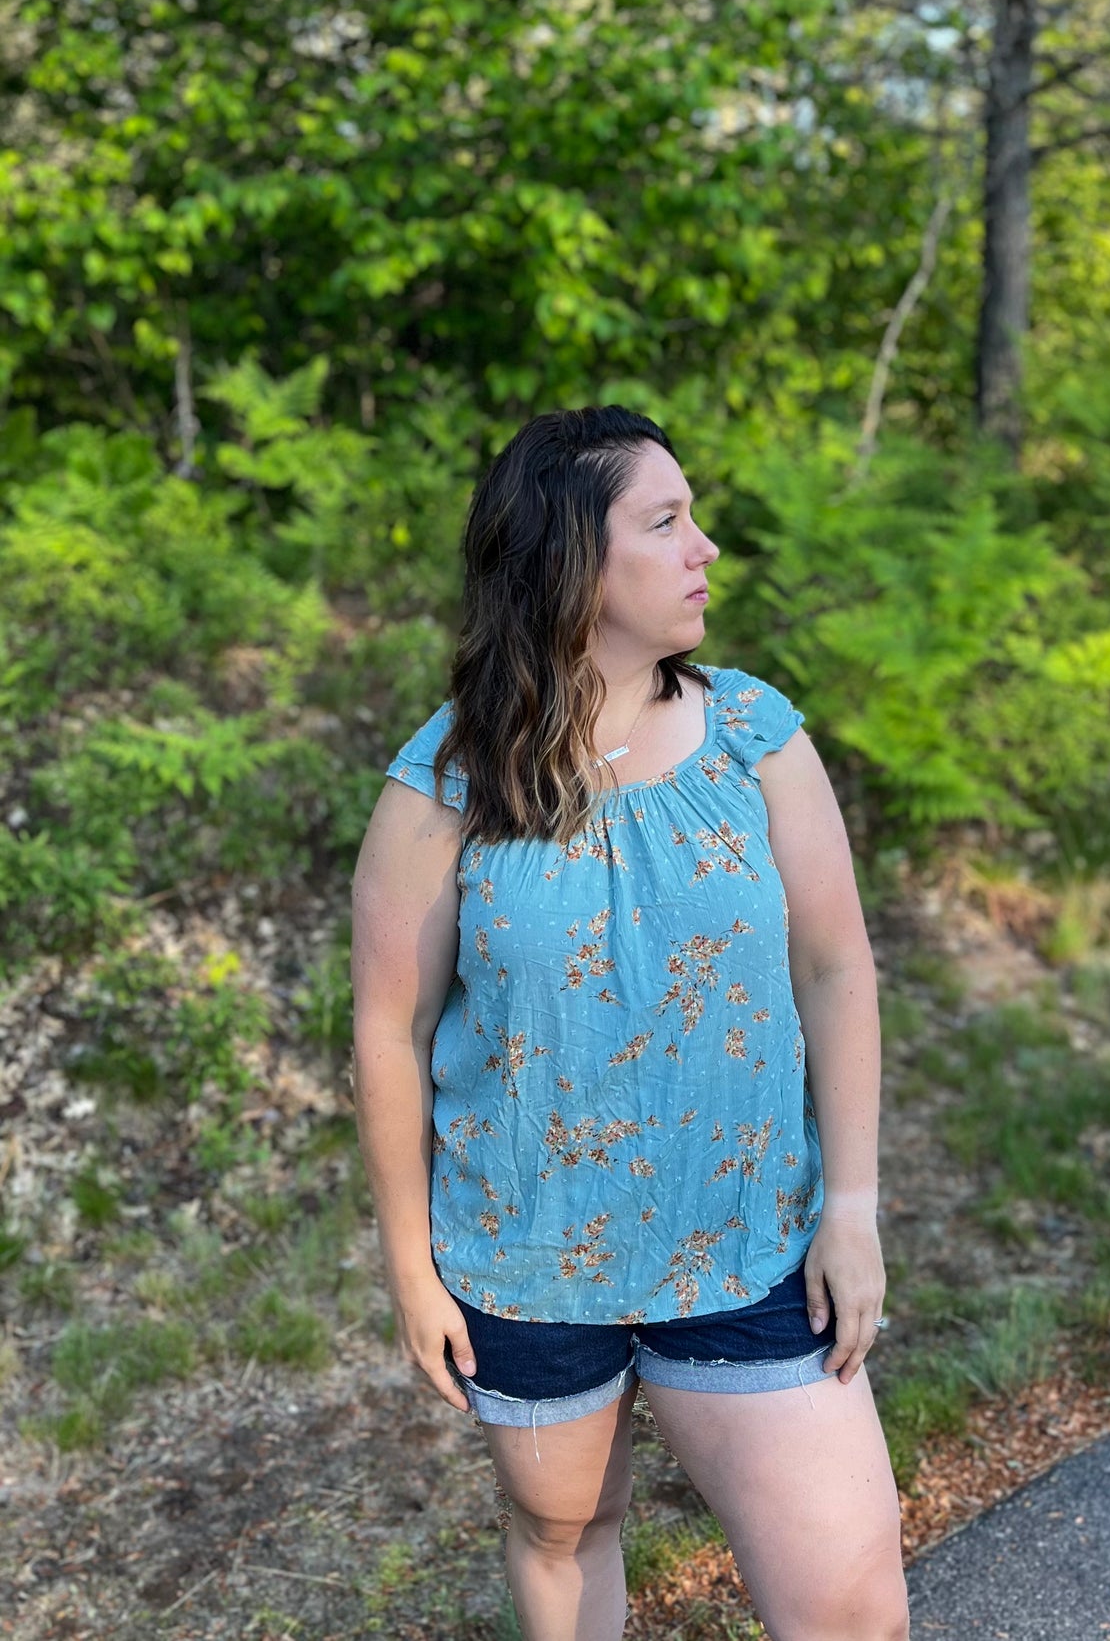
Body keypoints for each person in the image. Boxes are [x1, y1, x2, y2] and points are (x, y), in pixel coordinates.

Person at [350, 405, 908, 1640]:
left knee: (853, 1610)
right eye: (665, 523)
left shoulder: (753, 737)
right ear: (568, 562)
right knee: (562, 1530)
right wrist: (408, 1264)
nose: (705, 547)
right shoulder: (445, 784)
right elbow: (390, 1028)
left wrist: (852, 1209)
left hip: (749, 1242)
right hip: (527, 1257)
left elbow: (834, 966)